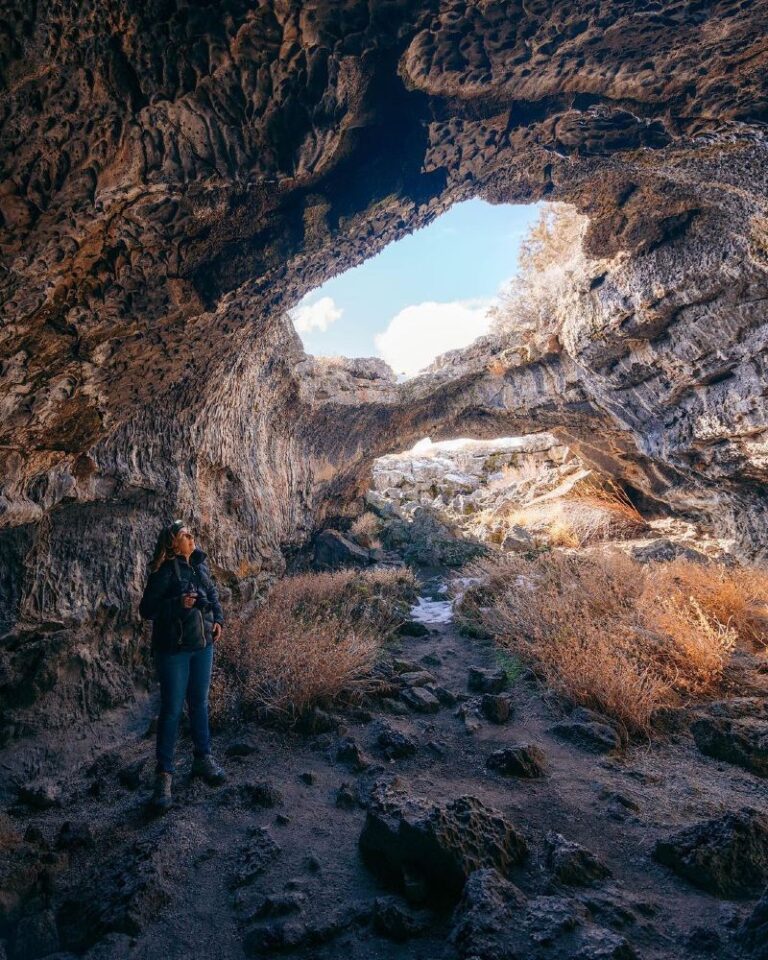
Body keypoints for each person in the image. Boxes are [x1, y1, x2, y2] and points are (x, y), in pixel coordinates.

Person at [139, 519, 227, 811]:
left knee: (199, 704)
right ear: (173, 542)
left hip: (202, 648)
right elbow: (147, 610)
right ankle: (163, 778)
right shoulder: (164, 572)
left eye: (191, 532)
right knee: (172, 711)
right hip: (174, 652)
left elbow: (213, 596)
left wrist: (219, 621)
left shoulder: (200, 565)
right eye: (185, 534)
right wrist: (179, 604)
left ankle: (202, 759)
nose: (191, 536)